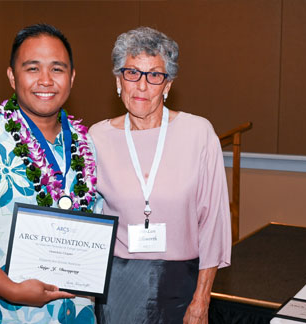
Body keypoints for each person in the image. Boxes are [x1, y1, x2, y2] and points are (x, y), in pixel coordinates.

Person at [0, 24, 103, 324]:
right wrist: (11, 290)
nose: (46, 80)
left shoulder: (88, 144)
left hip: (76, 311)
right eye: (32, 68)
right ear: (12, 76)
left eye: (58, 69)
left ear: (72, 77)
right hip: (3, 311)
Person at [88, 26, 231, 323]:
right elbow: (89, 218)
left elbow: (213, 224)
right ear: (118, 80)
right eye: (132, 73)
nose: (142, 86)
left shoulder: (199, 133)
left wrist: (201, 299)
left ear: (167, 85)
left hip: (181, 285)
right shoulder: (96, 138)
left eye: (154, 75)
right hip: (119, 287)